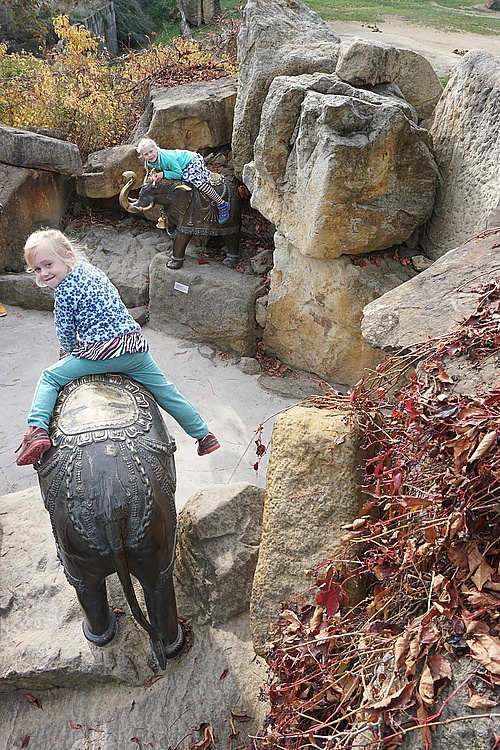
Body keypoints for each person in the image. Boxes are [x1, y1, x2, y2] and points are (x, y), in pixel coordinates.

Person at [15, 229, 220, 466]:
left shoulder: (64, 291)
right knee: (166, 391)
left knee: (50, 377)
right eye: (37, 269)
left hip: (102, 353)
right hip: (134, 346)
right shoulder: (94, 272)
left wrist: (71, 350)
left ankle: (36, 431)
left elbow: (65, 332)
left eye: (48, 264)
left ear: (68, 256)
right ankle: (204, 435)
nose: (44, 273)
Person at [136, 138, 230, 224]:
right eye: (146, 154)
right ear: (143, 156)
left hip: (192, 161)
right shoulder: (150, 161)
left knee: (197, 182)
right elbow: (161, 166)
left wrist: (163, 174)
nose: (150, 155)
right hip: (181, 166)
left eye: (151, 151)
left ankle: (221, 203)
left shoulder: (166, 158)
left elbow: (178, 174)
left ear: (156, 149)